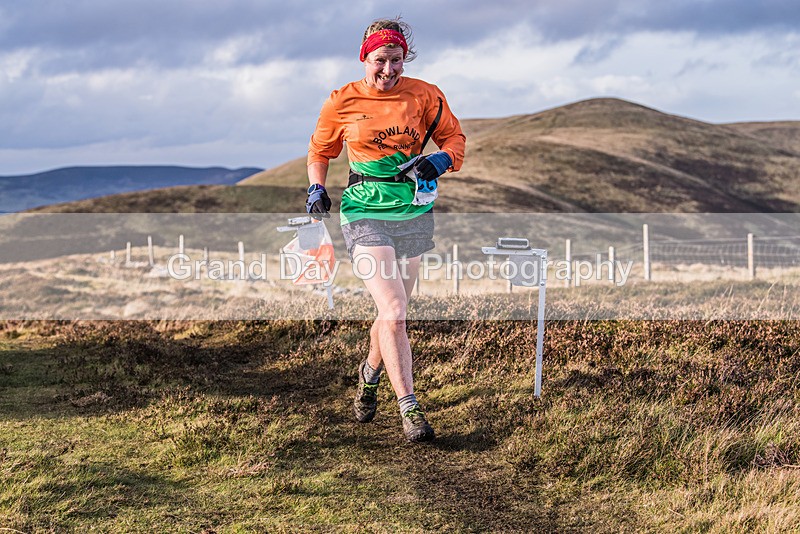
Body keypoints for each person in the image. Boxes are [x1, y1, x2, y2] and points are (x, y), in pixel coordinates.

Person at [306, 17, 466, 442]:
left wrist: (441, 161)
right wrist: (316, 186)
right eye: (380, 60)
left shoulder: (426, 95)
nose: (388, 70)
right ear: (365, 58)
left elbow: (456, 143)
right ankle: (410, 409)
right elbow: (321, 149)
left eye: (396, 60)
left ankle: (370, 374)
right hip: (362, 210)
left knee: (391, 315)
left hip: (413, 209)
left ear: (404, 58)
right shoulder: (341, 100)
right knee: (395, 311)